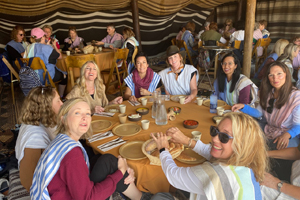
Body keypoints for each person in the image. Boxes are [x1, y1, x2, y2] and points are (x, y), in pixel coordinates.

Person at [30, 98, 143, 200]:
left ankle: (136, 195)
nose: (84, 118)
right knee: (111, 164)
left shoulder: (61, 141)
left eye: (88, 113)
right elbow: (87, 198)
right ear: (63, 119)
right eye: (77, 113)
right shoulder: (71, 154)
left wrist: (121, 169)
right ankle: (140, 198)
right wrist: (120, 172)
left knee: (104, 159)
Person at [151, 112, 269, 199]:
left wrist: (163, 149)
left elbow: (173, 176)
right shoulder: (248, 163)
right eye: (214, 131)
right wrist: (186, 140)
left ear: (242, 145)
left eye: (224, 137)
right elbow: (212, 151)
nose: (214, 138)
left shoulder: (217, 174)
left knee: (158, 197)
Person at [232, 61, 300, 150]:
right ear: (268, 78)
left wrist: (287, 135)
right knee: (243, 132)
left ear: (286, 75)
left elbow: (298, 125)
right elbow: (259, 113)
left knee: (280, 148)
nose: (275, 78)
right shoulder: (268, 93)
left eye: (279, 74)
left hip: (288, 133)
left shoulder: (296, 97)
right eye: (271, 75)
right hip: (269, 128)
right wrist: (243, 107)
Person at [15, 86, 63, 191]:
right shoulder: (35, 138)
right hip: (43, 189)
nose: (62, 104)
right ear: (47, 106)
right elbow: (30, 180)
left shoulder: (36, 120)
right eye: (58, 100)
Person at [24, 27, 67, 97]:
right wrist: (54, 46)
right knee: (65, 76)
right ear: (42, 38)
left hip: (31, 77)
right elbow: (60, 56)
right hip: (45, 77)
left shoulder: (28, 47)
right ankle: (61, 97)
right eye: (44, 35)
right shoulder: (46, 48)